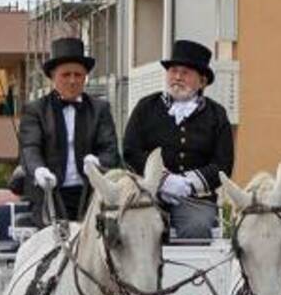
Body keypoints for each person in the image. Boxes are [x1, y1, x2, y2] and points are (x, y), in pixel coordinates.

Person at [122, 39, 234, 240]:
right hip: (148, 195)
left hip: (196, 200)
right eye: (173, 71)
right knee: (137, 228)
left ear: (202, 81)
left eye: (185, 73)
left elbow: (223, 164)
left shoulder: (217, 115)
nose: (177, 77)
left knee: (197, 227)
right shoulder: (146, 107)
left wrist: (188, 183)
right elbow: (131, 151)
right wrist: (164, 180)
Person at [18, 37, 120, 223]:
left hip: (91, 194)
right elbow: (29, 148)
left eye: (78, 75)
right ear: (52, 77)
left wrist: (97, 162)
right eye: (66, 75)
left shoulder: (100, 109)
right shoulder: (35, 110)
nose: (73, 81)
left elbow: (110, 149)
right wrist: (39, 171)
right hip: (49, 195)